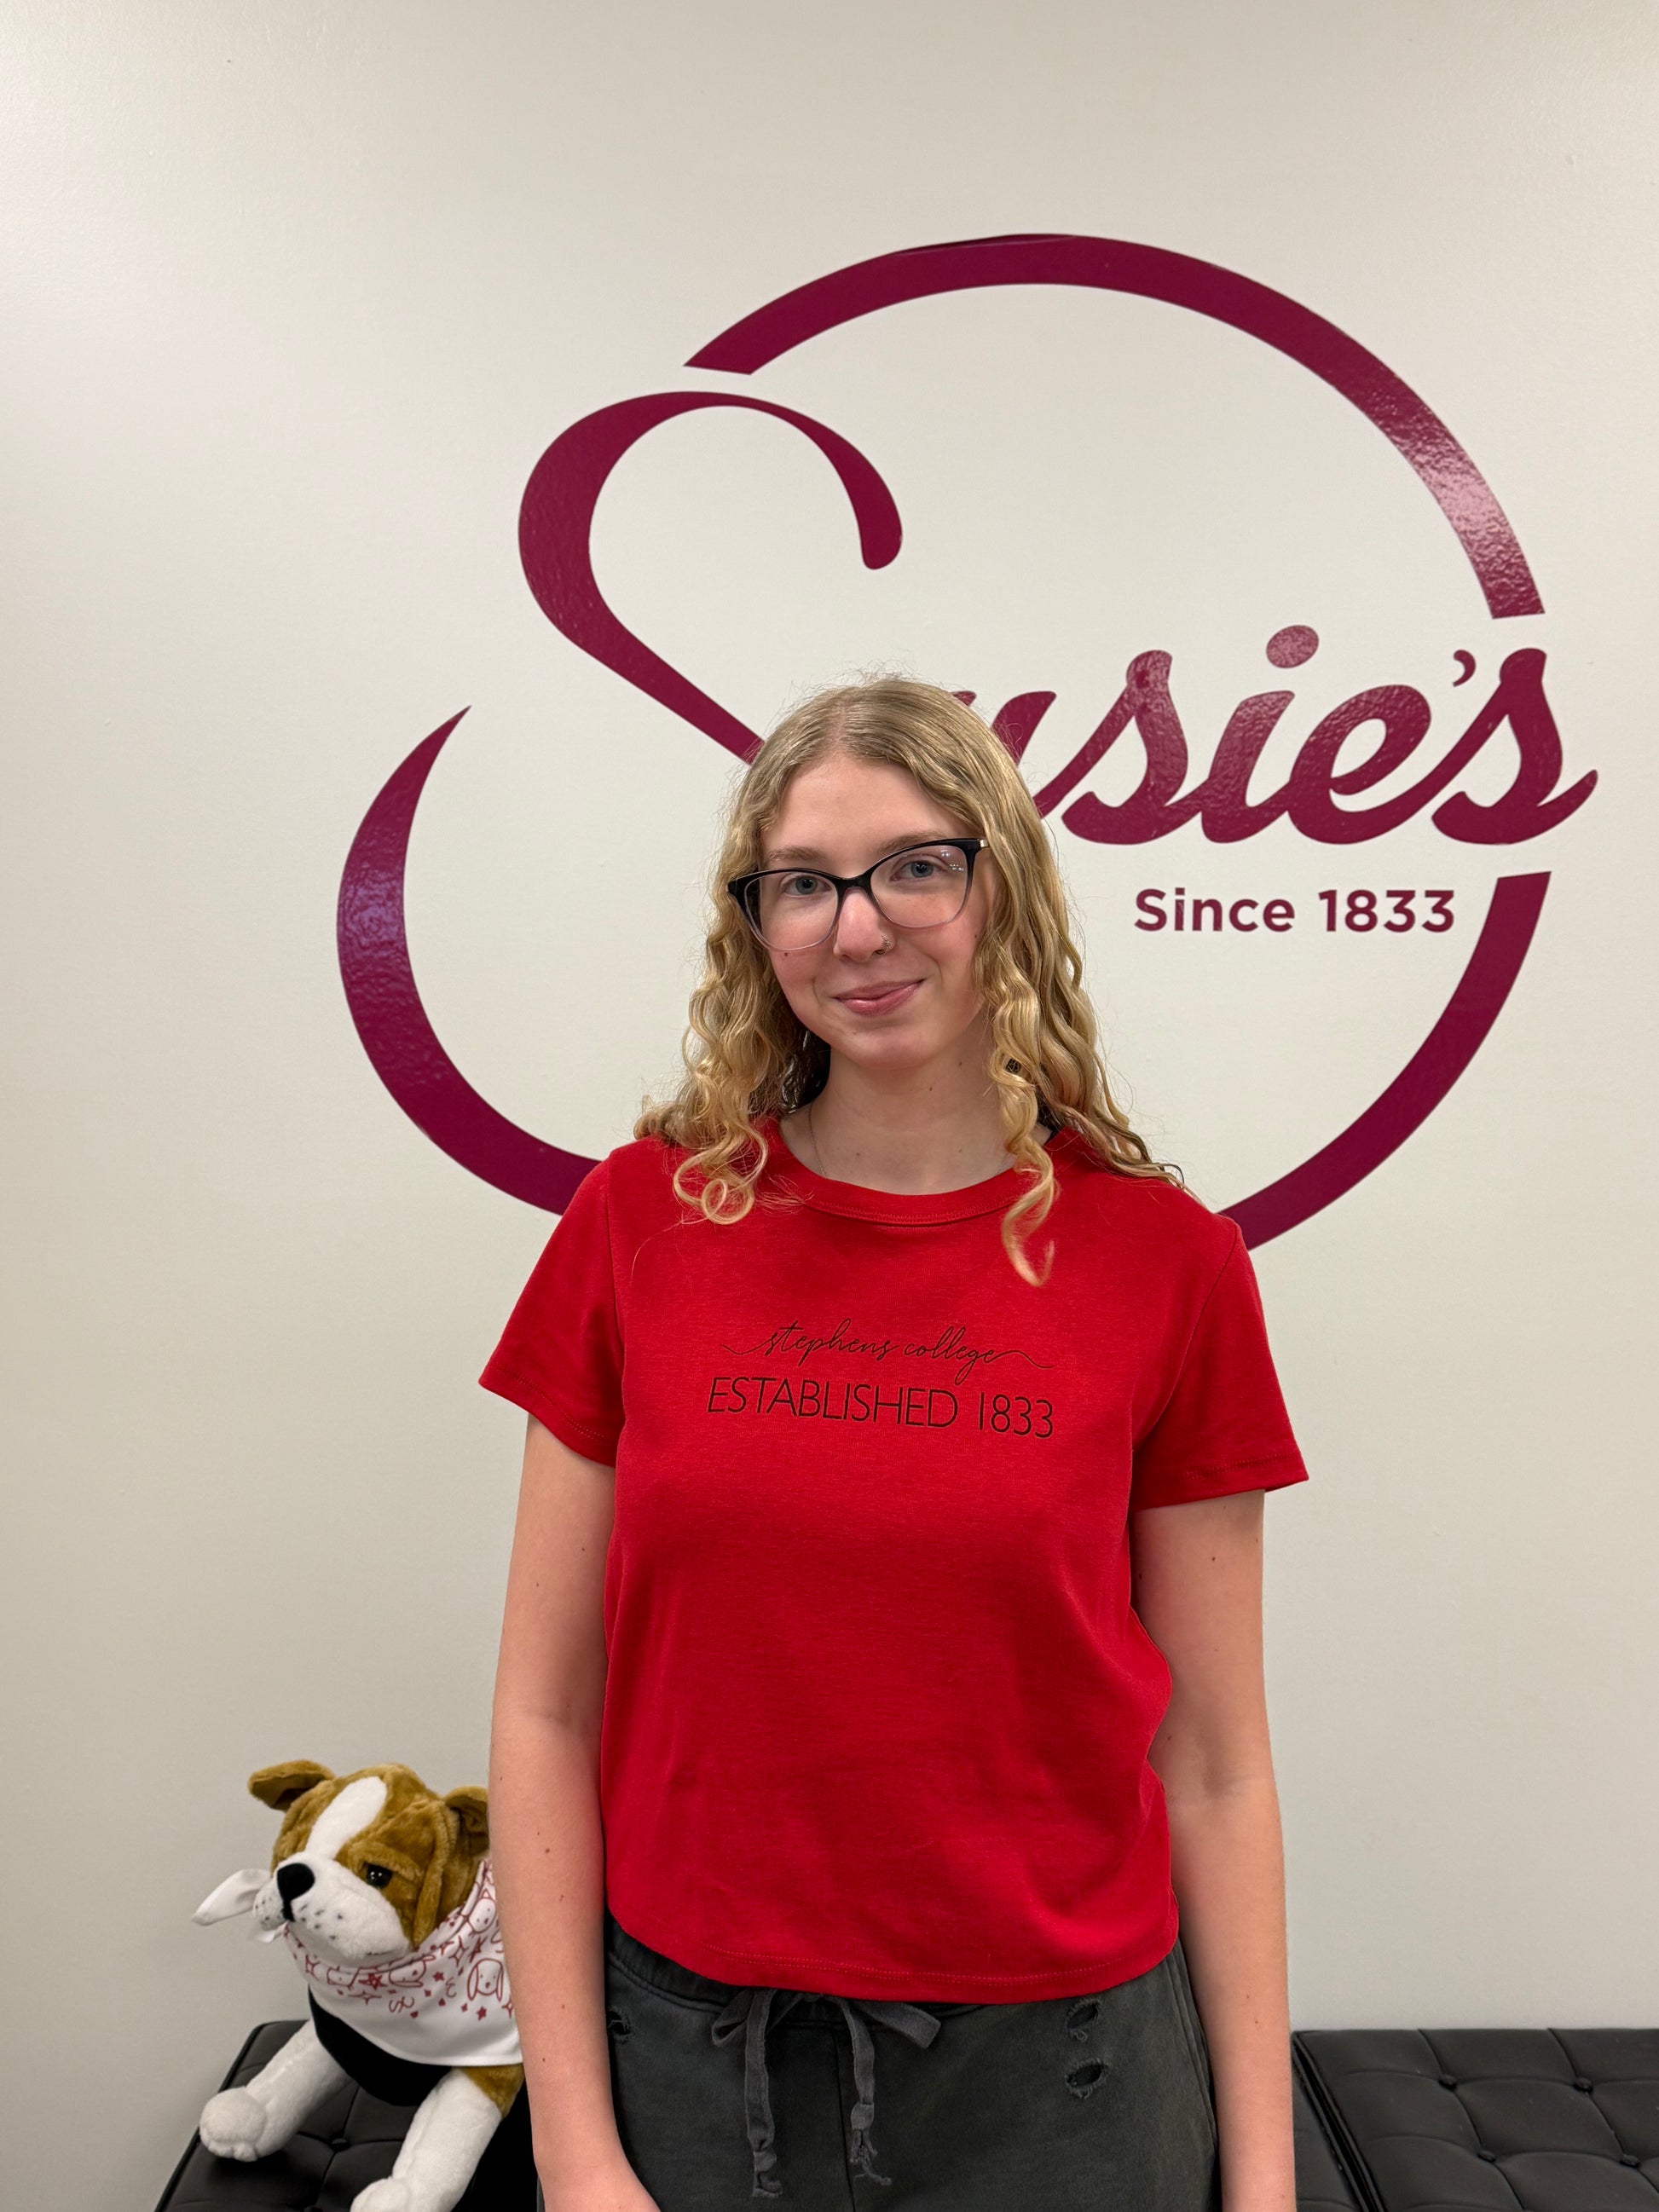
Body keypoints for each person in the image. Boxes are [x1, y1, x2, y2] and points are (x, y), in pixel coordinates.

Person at [482, 678, 1309, 2212]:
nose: (856, 930)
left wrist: (1262, 2184)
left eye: (915, 867)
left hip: (1065, 2086)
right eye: (802, 884)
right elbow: (543, 1713)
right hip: (692, 2068)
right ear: (756, 927)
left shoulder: (1169, 1263)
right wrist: (572, 2146)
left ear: (1006, 887)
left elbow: (1212, 1764)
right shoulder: (639, 1222)